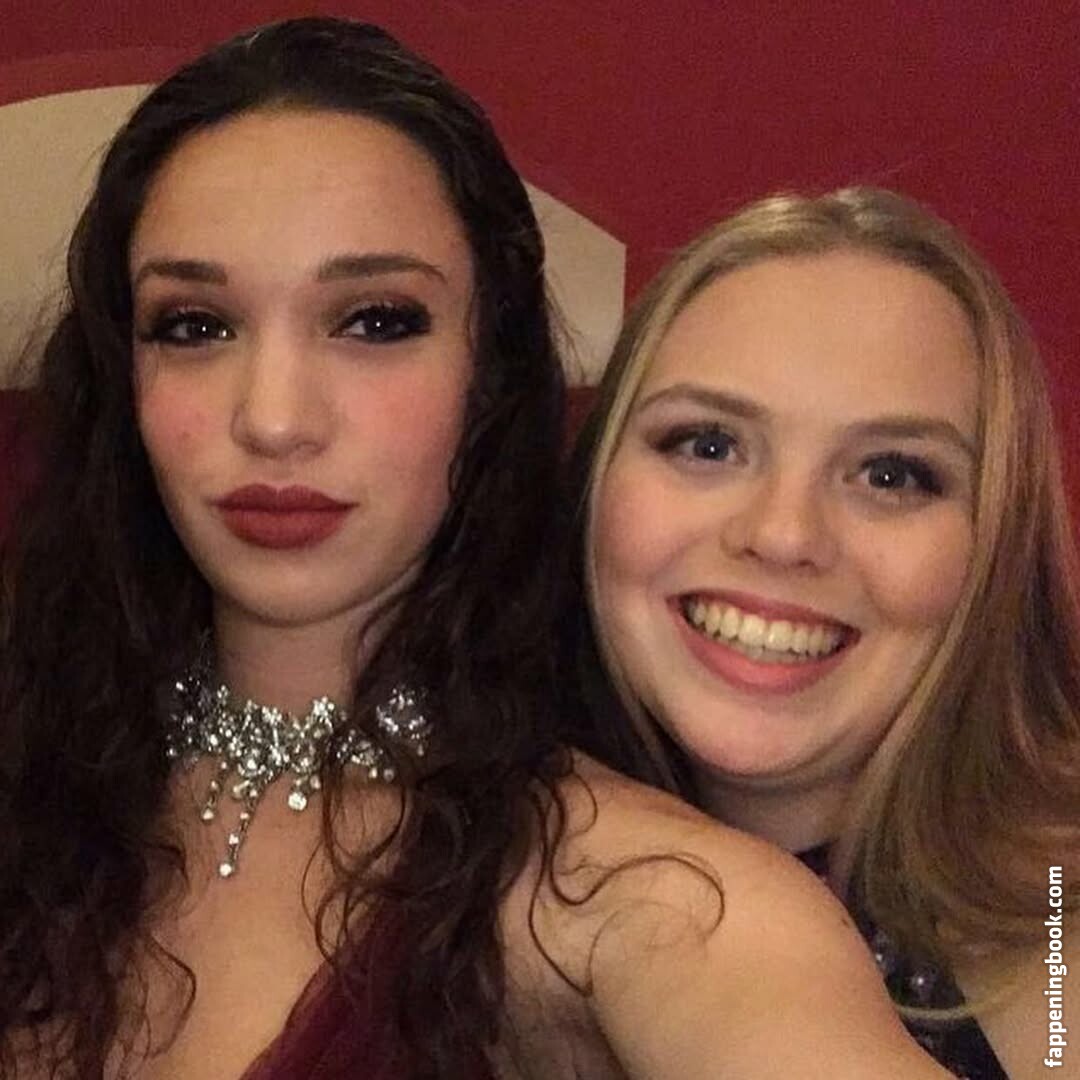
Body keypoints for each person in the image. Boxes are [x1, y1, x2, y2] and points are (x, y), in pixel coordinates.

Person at [0, 22, 952, 1078]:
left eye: (375, 321)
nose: (273, 420)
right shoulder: (40, 778)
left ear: (489, 371)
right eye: (194, 326)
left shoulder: (643, 901)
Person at [564, 186, 1080, 1079]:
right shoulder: (450, 852)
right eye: (708, 445)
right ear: (593, 486)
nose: (783, 535)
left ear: (995, 548)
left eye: (891, 474)